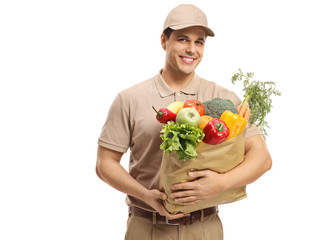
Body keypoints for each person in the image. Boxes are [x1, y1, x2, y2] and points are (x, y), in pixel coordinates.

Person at [96, 4, 272, 240]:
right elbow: (105, 163)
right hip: (147, 227)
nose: (191, 49)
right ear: (163, 41)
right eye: (182, 39)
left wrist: (221, 184)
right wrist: (146, 195)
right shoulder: (130, 99)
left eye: (199, 42)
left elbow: (262, 158)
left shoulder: (225, 99)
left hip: (205, 227)